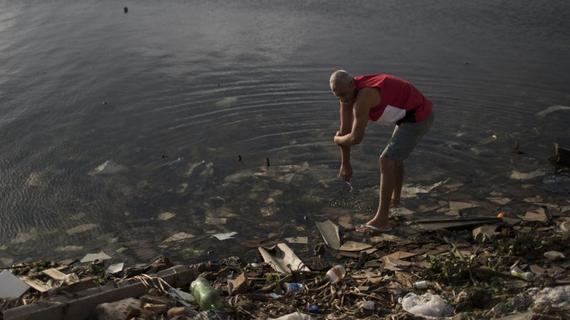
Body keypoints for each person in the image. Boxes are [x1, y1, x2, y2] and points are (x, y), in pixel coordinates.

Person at [330, 70, 434, 233]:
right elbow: (345, 131)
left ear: (352, 84)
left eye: (344, 94)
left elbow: (356, 138)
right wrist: (346, 164)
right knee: (395, 158)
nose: (344, 99)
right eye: (338, 96)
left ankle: (382, 220)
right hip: (404, 116)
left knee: (386, 160)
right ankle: (395, 201)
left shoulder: (364, 98)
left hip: (419, 116)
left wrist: (336, 140)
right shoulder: (347, 94)